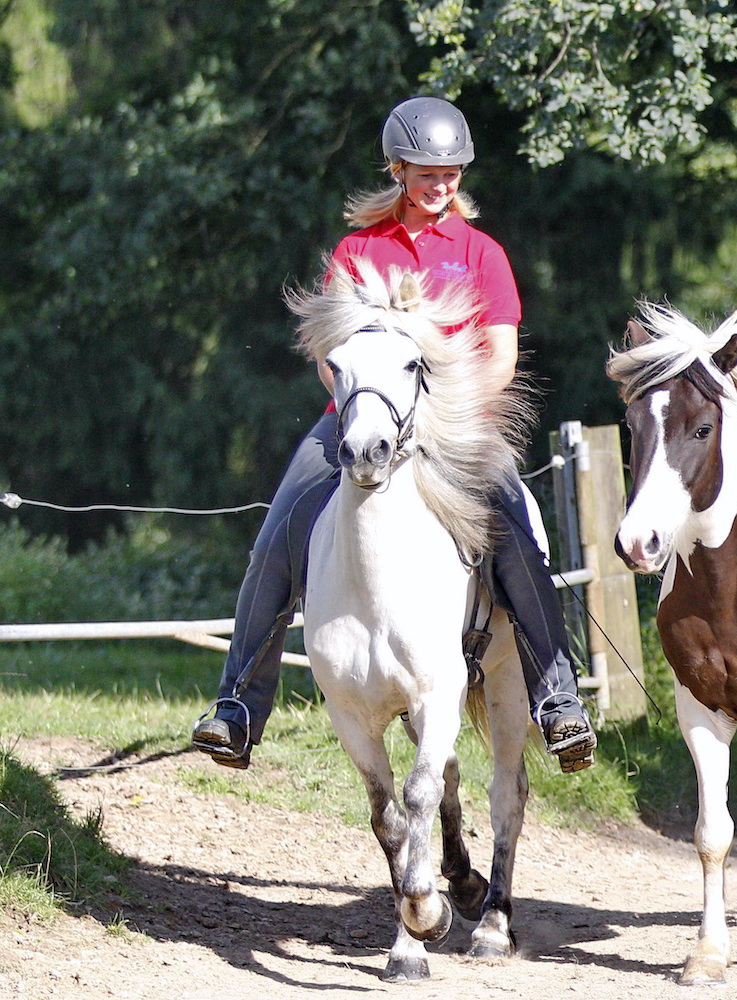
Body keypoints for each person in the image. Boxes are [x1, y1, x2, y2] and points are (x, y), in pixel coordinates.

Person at [191, 96, 597, 772]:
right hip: (354, 423)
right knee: (276, 539)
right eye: (428, 174)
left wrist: (443, 414)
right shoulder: (358, 251)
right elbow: (329, 353)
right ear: (398, 169)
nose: (441, 187)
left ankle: (557, 697)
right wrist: (359, 409)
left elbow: (498, 356)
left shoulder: (482, 254)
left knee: (515, 535)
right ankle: (237, 706)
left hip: (457, 427)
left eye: (452, 175)